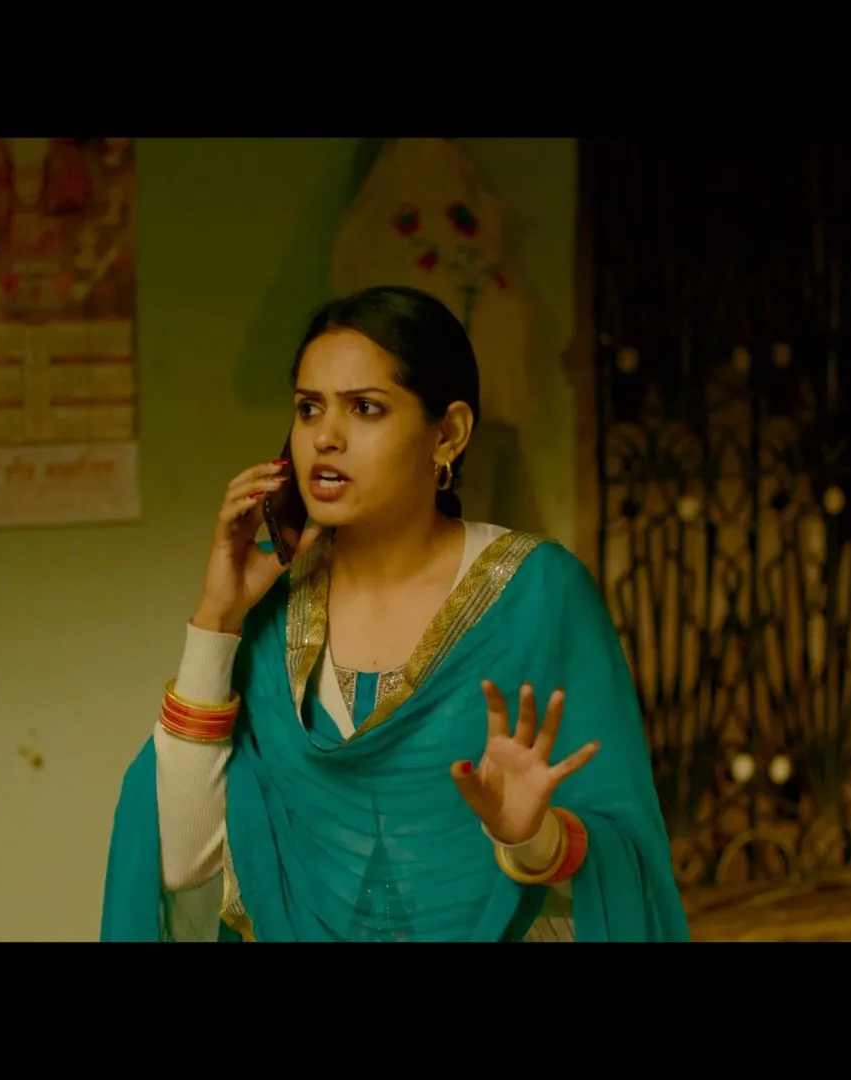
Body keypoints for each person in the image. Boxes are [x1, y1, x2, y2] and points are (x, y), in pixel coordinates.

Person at [99, 284, 688, 942]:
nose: (325, 437)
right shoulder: (272, 608)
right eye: (309, 408)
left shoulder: (538, 595)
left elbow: (624, 870)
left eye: (366, 408)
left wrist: (529, 834)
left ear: (448, 433)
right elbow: (182, 861)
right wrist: (217, 621)